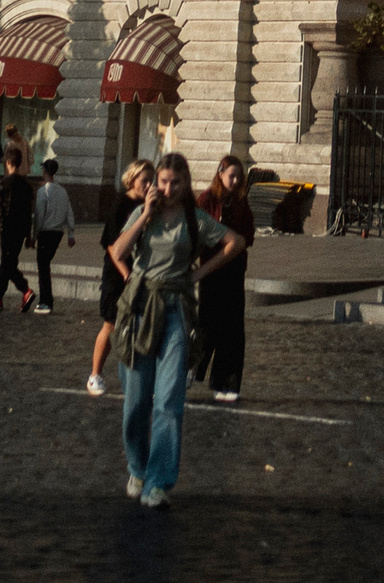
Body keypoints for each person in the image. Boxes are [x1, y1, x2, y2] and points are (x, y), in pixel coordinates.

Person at [106, 153, 244, 510]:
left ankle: (158, 482)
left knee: (168, 401)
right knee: (136, 402)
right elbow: (117, 250)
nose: (167, 189)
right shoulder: (141, 214)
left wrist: (197, 275)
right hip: (140, 309)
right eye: (162, 182)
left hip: (177, 312)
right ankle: (137, 469)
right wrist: (145, 216)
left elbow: (235, 243)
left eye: (175, 183)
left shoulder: (194, 219)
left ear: (185, 185)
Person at [193, 156, 255, 401]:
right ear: (220, 174)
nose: (236, 180)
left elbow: (248, 235)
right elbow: (198, 231)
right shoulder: (206, 200)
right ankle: (191, 370)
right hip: (210, 270)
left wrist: (234, 241)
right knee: (207, 324)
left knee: (232, 328)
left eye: (239, 176)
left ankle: (226, 383)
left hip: (234, 270)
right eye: (232, 175)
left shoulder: (240, 201)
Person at [88, 160, 150, 396]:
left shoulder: (148, 205)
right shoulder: (120, 204)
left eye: (150, 180)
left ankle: (138, 377)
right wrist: (125, 272)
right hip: (117, 275)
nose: (148, 185)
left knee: (138, 325)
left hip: (138, 273)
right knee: (111, 324)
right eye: (144, 180)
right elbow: (111, 244)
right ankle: (95, 374)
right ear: (132, 179)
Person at [0, 142, 35, 314]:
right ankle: (0, 298)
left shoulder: (4, 183)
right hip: (21, 230)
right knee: (9, 262)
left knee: (6, 264)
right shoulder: (27, 186)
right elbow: (29, 212)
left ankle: (22, 291)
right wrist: (29, 236)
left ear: (8, 163)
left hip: (7, 228)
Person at [32, 159, 75, 316]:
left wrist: (34, 236)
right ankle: (46, 300)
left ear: (44, 171)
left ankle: (46, 301)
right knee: (45, 265)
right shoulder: (62, 191)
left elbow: (39, 216)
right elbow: (69, 212)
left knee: (43, 267)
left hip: (45, 232)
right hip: (58, 233)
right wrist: (71, 233)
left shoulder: (43, 192)